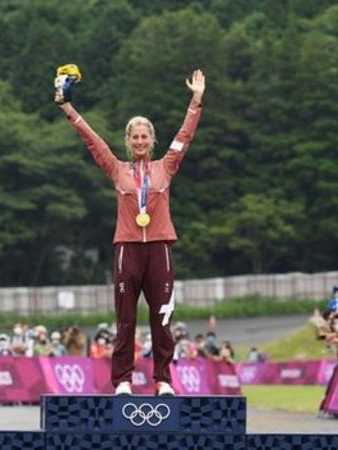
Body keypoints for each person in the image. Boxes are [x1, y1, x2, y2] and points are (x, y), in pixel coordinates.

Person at [57, 69, 205, 396]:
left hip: (160, 247)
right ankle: (123, 380)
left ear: (152, 140)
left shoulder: (166, 166)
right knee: (125, 320)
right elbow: (92, 140)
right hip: (127, 248)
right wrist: (68, 108)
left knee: (162, 317)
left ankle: (163, 380)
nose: (139, 142)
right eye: (134, 137)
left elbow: (185, 136)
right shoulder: (116, 169)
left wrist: (196, 100)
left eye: (144, 137)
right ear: (128, 141)